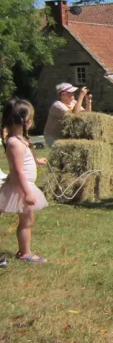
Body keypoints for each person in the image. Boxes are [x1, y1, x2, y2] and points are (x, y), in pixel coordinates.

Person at [0, 99, 48, 263]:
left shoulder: (19, 140)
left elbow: (24, 161)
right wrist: (27, 192)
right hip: (21, 187)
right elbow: (18, 170)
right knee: (27, 221)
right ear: (26, 121)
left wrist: (37, 161)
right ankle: (25, 253)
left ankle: (24, 251)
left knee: (27, 220)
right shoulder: (15, 143)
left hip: (21, 185)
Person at [44, 83, 92, 147]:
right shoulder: (57, 105)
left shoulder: (73, 102)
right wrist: (81, 97)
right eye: (70, 92)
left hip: (64, 136)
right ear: (62, 94)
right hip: (53, 137)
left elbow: (87, 114)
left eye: (72, 92)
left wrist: (88, 101)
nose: (72, 94)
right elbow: (74, 116)